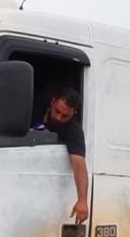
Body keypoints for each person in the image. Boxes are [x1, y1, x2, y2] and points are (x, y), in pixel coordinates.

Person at [33, 88, 89, 225]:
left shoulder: (73, 129)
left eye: (65, 116)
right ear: (52, 102)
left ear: (74, 113)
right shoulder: (33, 107)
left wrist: (82, 200)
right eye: (57, 111)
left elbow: (79, 163)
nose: (58, 118)